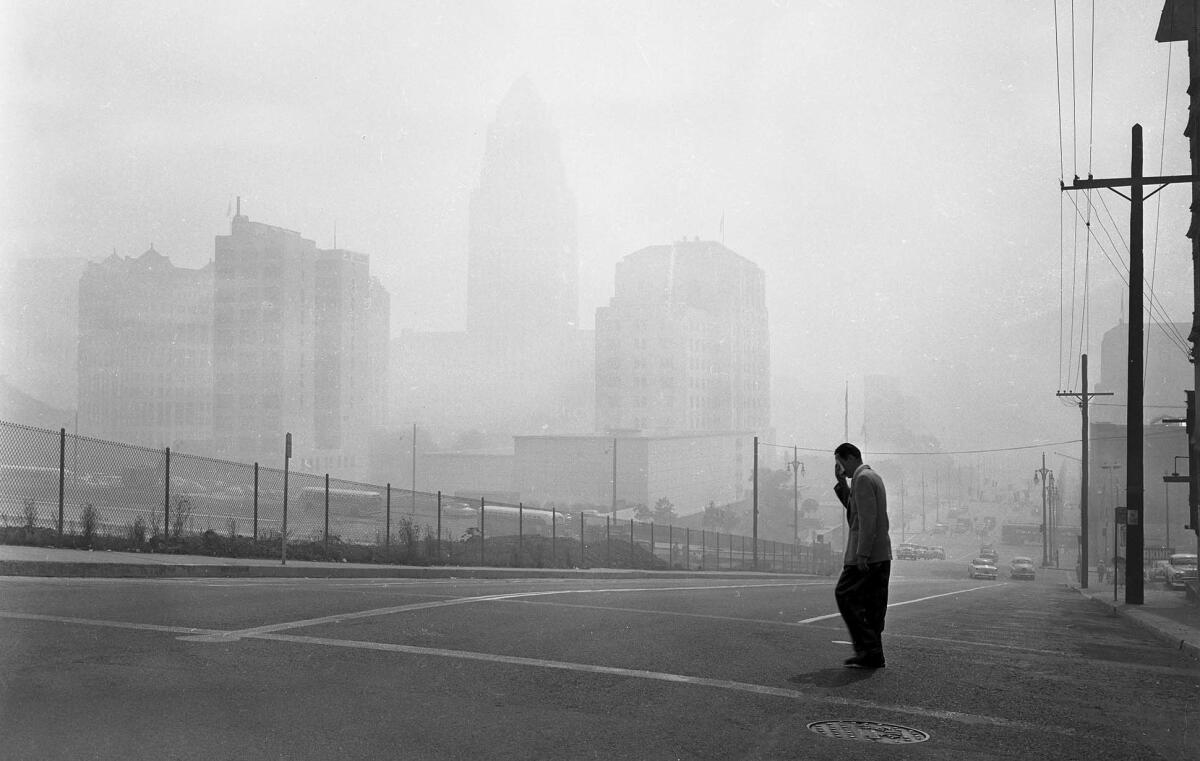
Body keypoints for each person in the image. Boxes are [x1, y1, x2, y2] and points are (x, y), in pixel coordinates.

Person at [832, 442, 892, 669]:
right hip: (879, 554)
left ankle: (868, 649)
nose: (840, 469)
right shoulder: (871, 476)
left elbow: (867, 520)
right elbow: (854, 510)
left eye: (839, 463)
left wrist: (862, 555)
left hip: (866, 554)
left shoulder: (863, 479)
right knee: (872, 604)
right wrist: (841, 484)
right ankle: (873, 654)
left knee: (845, 594)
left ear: (848, 458)